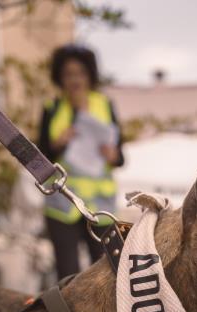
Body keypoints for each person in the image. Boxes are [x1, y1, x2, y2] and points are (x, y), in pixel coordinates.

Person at [38, 44, 124, 279]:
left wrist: (112, 155)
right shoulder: (52, 107)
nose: (75, 80)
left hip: (100, 206)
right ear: (60, 77)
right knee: (67, 275)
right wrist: (59, 143)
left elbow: (120, 158)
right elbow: (40, 156)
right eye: (68, 74)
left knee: (107, 272)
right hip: (62, 205)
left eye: (80, 73)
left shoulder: (105, 105)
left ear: (90, 76)